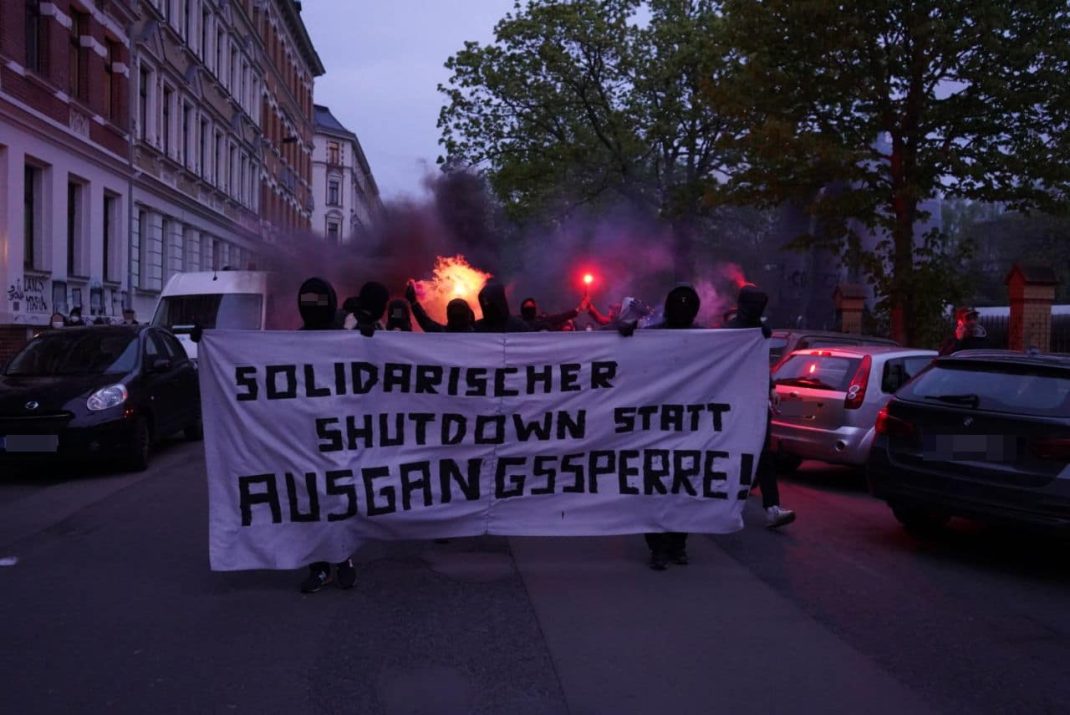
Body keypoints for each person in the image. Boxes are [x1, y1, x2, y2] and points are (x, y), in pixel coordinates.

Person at [296, 277, 358, 594]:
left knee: (338, 496)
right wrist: (208, 341)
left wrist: (371, 339)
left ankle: (343, 558)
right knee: (311, 499)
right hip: (306, 436)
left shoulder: (344, 337)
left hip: (339, 434)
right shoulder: (292, 342)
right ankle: (319, 566)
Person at [725, 284, 796, 530]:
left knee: (763, 453)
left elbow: (760, 366)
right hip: (732, 403)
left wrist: (771, 387)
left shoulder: (760, 333)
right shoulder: (727, 333)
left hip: (754, 402)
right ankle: (725, 505)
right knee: (732, 453)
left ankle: (772, 507)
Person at [642, 284, 702, 570]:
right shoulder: (653, 337)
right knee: (655, 487)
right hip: (655, 426)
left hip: (690, 427)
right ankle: (658, 546)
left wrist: (755, 335)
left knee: (682, 487)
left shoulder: (709, 340)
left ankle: (677, 543)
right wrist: (624, 334)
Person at [405, 282, 476, 333]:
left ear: (448, 314)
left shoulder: (441, 333)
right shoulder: (480, 334)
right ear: (469, 315)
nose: (457, 314)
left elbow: (425, 322)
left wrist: (413, 301)